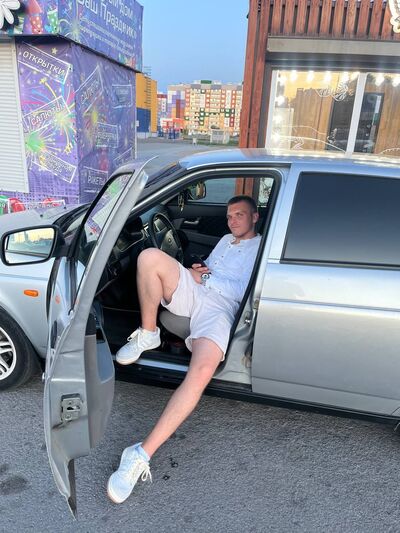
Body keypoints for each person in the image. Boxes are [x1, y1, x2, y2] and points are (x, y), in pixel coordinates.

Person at [107, 195, 261, 504]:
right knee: (149, 256)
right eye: (229, 215)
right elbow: (210, 270)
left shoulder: (260, 248)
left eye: (239, 215)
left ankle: (139, 454)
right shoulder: (225, 240)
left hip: (221, 310)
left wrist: (205, 277)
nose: (232, 220)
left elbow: (243, 291)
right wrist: (198, 271)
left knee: (201, 372)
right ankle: (149, 333)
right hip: (198, 291)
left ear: (254, 217)